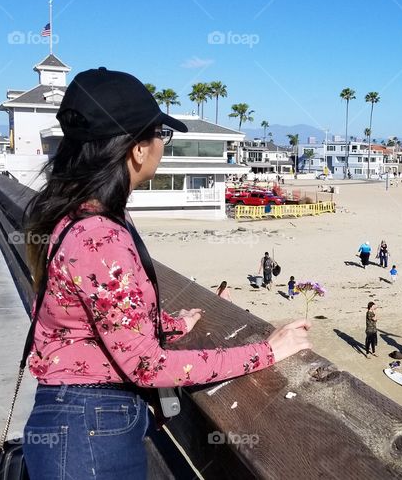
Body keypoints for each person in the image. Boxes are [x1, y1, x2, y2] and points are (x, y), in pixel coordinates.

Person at [19, 67, 312, 479]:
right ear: (138, 149)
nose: (162, 145)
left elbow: (92, 316)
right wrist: (267, 351)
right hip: (91, 433)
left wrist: (171, 324)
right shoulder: (100, 236)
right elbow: (147, 367)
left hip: (75, 422)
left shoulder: (75, 216)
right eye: (161, 135)